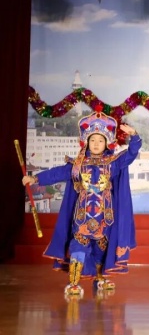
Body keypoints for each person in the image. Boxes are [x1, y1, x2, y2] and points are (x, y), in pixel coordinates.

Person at [22, 106, 141, 297]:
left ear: (107, 142)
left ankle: (100, 278)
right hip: (82, 216)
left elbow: (131, 154)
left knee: (102, 249)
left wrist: (134, 136)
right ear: (86, 141)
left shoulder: (113, 162)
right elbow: (57, 173)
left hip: (105, 216)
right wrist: (35, 178)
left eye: (100, 140)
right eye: (92, 140)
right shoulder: (78, 164)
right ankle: (74, 282)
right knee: (78, 247)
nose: (96, 144)